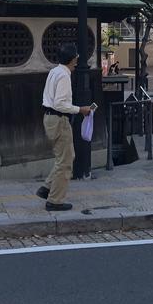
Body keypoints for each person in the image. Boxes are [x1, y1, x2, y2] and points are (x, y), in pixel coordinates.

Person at [35, 44, 93, 211]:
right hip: (59, 119)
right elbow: (60, 103)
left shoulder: (55, 71)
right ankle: (55, 200)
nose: (77, 61)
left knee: (65, 157)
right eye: (76, 57)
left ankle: (47, 187)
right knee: (65, 162)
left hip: (50, 117)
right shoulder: (64, 76)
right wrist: (80, 109)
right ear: (72, 59)